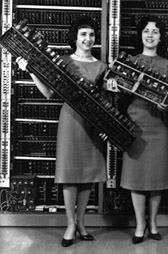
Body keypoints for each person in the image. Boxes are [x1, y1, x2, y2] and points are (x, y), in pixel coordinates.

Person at [16, 15, 108, 247]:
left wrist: (107, 127)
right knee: (70, 174)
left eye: (91, 35)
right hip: (70, 122)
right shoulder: (64, 62)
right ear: (75, 38)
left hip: (92, 124)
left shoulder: (102, 66)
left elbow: (106, 102)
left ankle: (82, 223)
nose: (88, 39)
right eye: (83, 34)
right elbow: (48, 93)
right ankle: (69, 224)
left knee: (87, 176)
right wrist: (31, 71)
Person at [116, 16, 168, 244]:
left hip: (158, 127)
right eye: (146, 31)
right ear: (140, 35)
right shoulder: (130, 61)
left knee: (156, 178)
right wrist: (113, 85)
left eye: (155, 32)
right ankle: (140, 224)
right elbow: (119, 95)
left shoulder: (167, 65)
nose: (150, 35)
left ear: (160, 37)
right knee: (137, 177)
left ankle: (153, 223)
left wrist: (166, 104)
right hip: (135, 125)